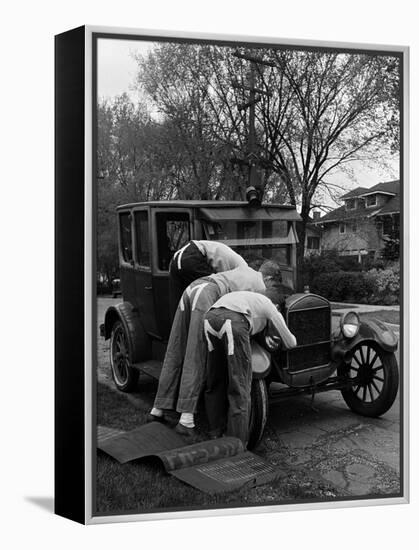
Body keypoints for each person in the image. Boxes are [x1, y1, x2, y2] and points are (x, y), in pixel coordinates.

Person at [148, 261, 283, 437]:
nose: (269, 288)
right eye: (272, 284)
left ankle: (157, 408)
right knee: (197, 353)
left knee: (177, 348)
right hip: (206, 294)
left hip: (192, 289)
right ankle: (186, 421)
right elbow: (247, 310)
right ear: (269, 277)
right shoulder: (258, 283)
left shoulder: (242, 270)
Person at [203, 290, 297, 446]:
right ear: (278, 305)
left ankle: (215, 432)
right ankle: (236, 443)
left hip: (209, 318)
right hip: (233, 322)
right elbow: (291, 342)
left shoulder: (251, 297)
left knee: (215, 379)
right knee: (240, 387)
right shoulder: (271, 307)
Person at [168, 240, 247, 321]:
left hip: (180, 256)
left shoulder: (239, 267)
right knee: (207, 296)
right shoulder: (243, 271)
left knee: (179, 303)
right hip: (192, 255)